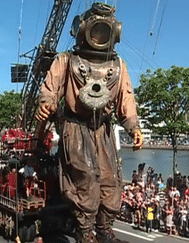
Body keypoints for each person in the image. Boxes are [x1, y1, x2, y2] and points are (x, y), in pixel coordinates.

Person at [35, 3, 143, 243]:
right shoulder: (67, 60)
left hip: (102, 129)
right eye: (95, 29)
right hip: (75, 127)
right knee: (84, 177)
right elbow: (51, 89)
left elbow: (125, 97)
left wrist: (134, 126)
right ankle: (85, 232)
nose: (100, 35)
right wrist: (46, 103)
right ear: (83, 29)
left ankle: (104, 229)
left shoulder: (118, 66)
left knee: (110, 180)